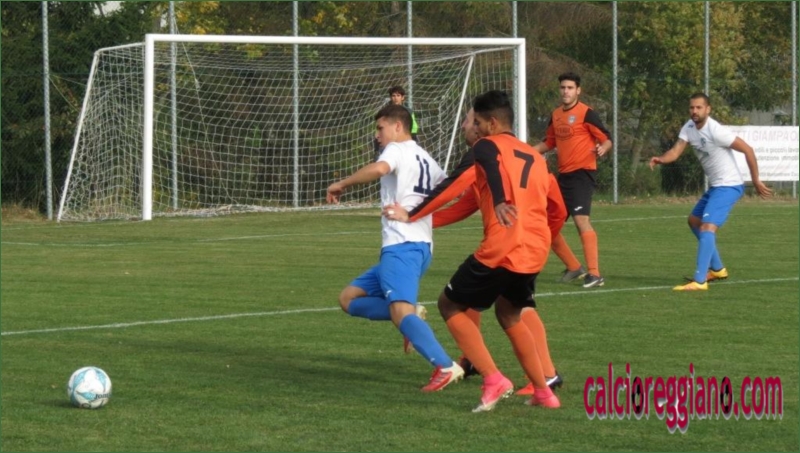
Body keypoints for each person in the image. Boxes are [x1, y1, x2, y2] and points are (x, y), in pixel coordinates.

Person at [392, 90, 561, 412]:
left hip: (502, 247)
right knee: (509, 313)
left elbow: (452, 188)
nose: (471, 127)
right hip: (535, 249)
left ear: (491, 123)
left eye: (475, 121)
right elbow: (557, 207)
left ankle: (493, 378)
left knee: (449, 304)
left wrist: (411, 215)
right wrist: (545, 234)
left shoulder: (486, 146)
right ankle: (544, 391)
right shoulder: (535, 157)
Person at [326, 104, 464, 391]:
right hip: (420, 247)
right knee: (348, 299)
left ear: (398, 126)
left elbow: (380, 169)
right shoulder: (426, 157)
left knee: (400, 312)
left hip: (402, 247)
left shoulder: (396, 149)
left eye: (381, 128)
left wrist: (342, 184)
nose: (377, 135)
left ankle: (445, 365)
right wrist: (419, 212)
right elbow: (452, 189)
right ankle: (411, 312)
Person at [649, 92, 772, 291]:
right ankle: (717, 269)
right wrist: (661, 159)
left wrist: (756, 180)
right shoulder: (689, 127)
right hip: (716, 186)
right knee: (694, 221)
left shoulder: (716, 131)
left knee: (707, 228)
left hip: (729, 185)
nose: (694, 111)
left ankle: (699, 281)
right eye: (692, 107)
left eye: (699, 107)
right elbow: (676, 151)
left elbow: (748, 149)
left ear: (708, 109)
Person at [533, 72, 613, 288]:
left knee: (581, 220)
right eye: (563, 87)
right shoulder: (556, 114)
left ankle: (595, 274)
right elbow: (549, 142)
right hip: (564, 177)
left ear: (578, 90)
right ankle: (573, 266)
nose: (565, 91)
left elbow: (606, 139)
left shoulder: (587, 113)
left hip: (582, 174)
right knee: (546, 225)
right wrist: (525, 151)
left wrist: (603, 148)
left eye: (570, 88)